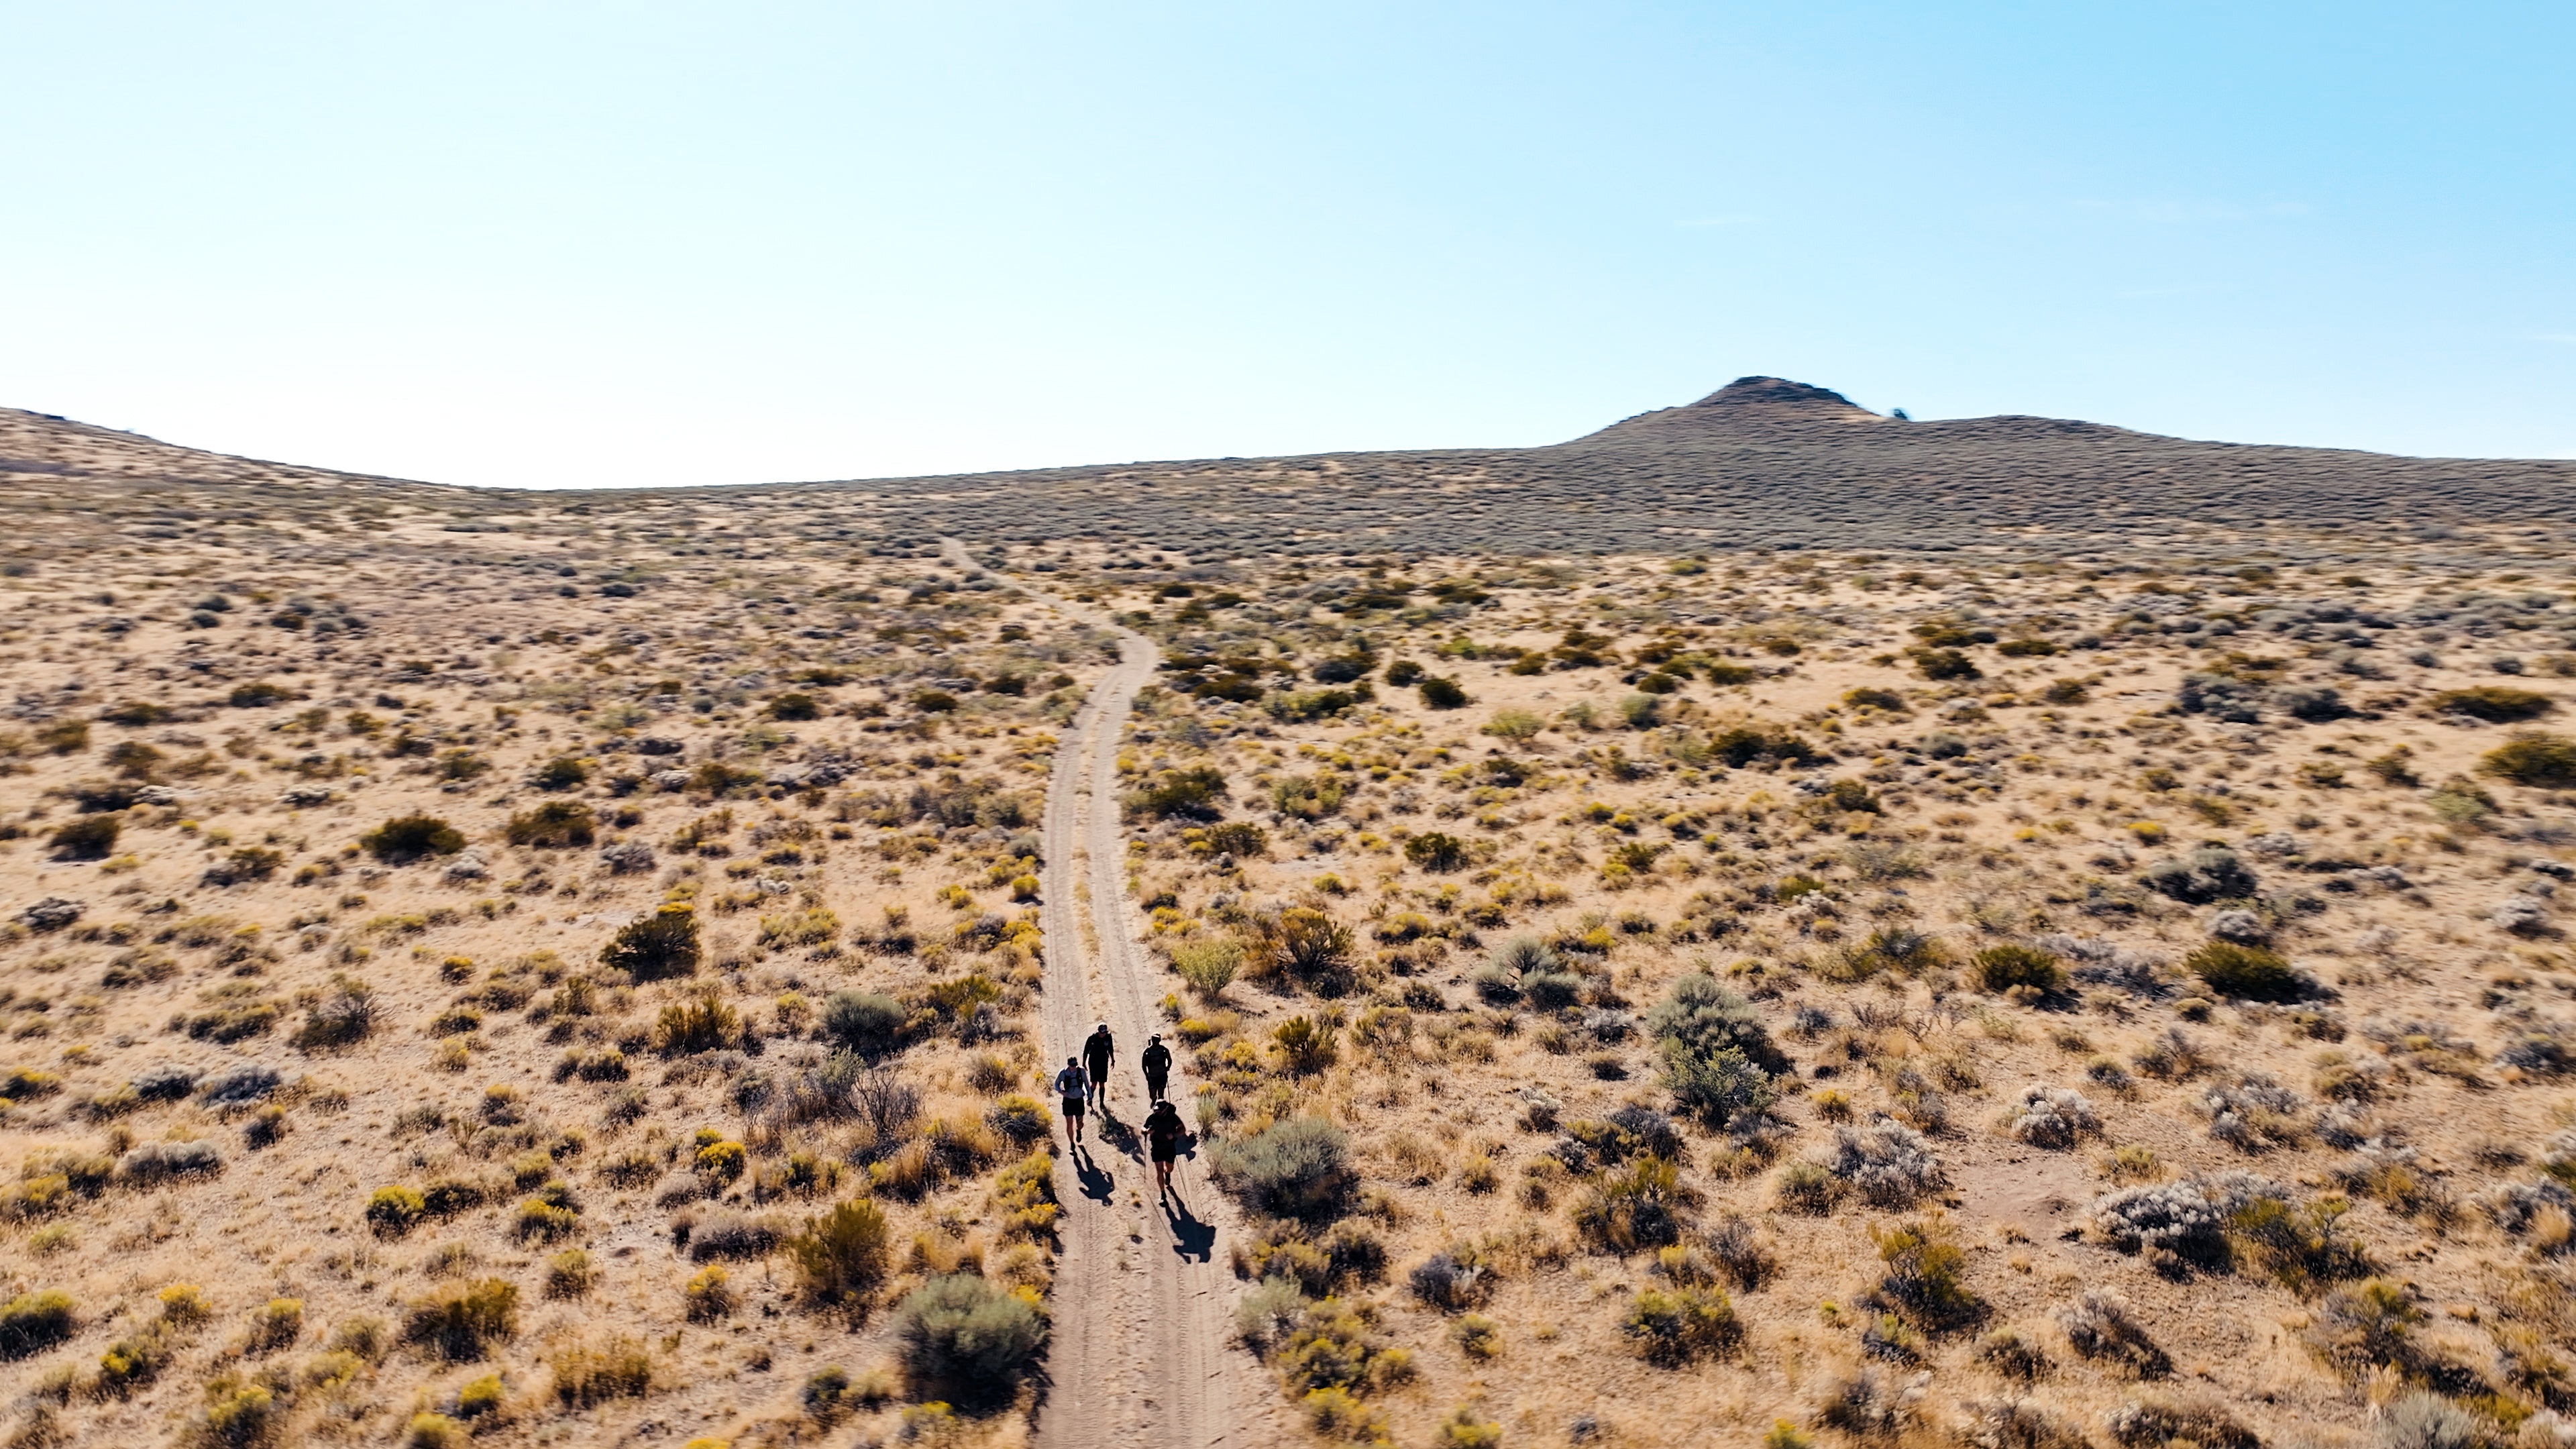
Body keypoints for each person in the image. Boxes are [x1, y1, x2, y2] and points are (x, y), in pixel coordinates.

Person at [1144, 1097, 1184, 1197]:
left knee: (1169, 1168)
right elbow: (1143, 1128)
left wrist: (1174, 1135)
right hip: (1157, 1147)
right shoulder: (1152, 1118)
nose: (1158, 1112)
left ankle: (1168, 1174)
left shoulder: (1173, 1117)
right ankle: (1163, 1194)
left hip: (1169, 1147)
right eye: (1156, 1110)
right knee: (1159, 1170)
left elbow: (1182, 1129)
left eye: (1160, 1111)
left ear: (1166, 1109)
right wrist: (1147, 1131)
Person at [1053, 1056, 1089, 1146]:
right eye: (1072, 1066)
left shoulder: (1081, 1071)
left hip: (1079, 1100)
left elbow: (1086, 1084)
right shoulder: (1063, 1073)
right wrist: (1061, 1092)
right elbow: (1056, 1084)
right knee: (1069, 1124)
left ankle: (1079, 1130)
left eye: (1075, 1065)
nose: (1073, 1068)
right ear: (1068, 1065)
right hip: (1068, 1101)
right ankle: (1072, 1143)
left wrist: (1090, 1096)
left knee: (1080, 1122)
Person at [1083, 1022, 1115, 1105]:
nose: (1103, 1034)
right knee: (1094, 1083)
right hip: (1093, 1062)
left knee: (1102, 1084)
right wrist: (1084, 1062)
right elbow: (1086, 1051)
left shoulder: (1108, 1038)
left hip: (1103, 1062)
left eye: (1104, 1033)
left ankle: (1101, 1102)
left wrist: (1113, 1060)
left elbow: (1110, 1049)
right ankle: (1090, 1099)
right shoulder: (1092, 1039)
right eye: (1101, 1033)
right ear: (1098, 1032)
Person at [1140, 1033, 1173, 1104]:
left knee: (1161, 1095)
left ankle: (1160, 1109)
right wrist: (1147, 1075)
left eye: (1157, 1040)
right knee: (1153, 1096)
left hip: (1162, 1075)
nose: (1155, 1042)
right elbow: (1143, 1065)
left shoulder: (1164, 1050)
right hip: (1152, 1076)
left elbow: (1169, 1060)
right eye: (1154, 1040)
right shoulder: (1147, 1052)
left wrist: (1167, 1067)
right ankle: (1155, 1101)